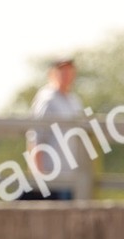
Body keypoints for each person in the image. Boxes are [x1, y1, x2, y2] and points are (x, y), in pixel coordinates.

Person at [24, 57, 85, 200]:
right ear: (52, 73)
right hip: (50, 174)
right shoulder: (48, 100)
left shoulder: (74, 101)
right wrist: (39, 176)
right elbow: (36, 138)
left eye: (68, 71)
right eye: (61, 71)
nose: (65, 75)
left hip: (70, 175)